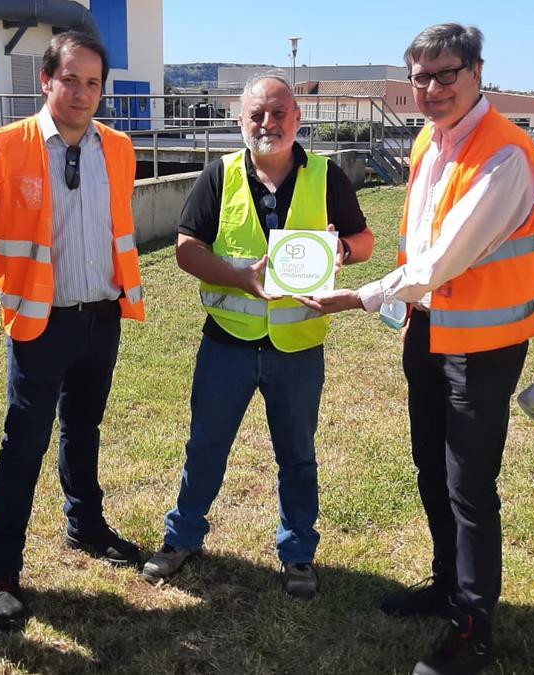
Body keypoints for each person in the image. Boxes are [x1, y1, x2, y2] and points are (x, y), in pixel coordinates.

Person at [300, 23, 534, 674]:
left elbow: (442, 259)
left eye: (447, 73)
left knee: (470, 487)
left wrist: (362, 296)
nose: (433, 88)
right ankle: (446, 586)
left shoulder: (505, 155)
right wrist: (405, 311)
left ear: (477, 72)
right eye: (422, 76)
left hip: (485, 345)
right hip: (429, 328)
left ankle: (475, 632)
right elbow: (418, 243)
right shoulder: (427, 143)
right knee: (429, 468)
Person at [139, 73, 374, 599]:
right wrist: (239, 277)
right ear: (240, 121)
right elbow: (185, 249)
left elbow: (365, 239)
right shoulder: (217, 175)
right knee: (205, 447)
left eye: (277, 113)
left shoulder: (326, 176)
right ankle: (182, 539)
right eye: (256, 115)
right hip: (228, 342)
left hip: (298, 349)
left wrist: (342, 253)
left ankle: (298, 554)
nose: (267, 123)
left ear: (297, 119)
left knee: (297, 455)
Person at [0, 31, 145, 630]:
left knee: (84, 427)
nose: (80, 92)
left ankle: (87, 527)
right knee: (24, 441)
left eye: (92, 82)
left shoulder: (119, 148)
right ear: (46, 80)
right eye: (69, 79)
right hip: (39, 322)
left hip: (101, 316)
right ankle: (1, 568)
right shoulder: (1, 148)